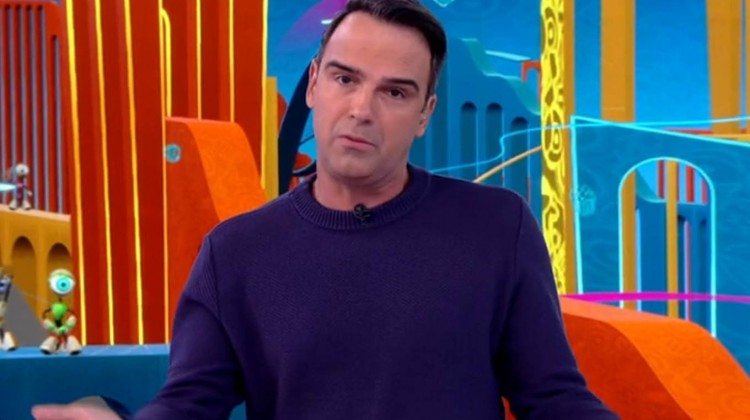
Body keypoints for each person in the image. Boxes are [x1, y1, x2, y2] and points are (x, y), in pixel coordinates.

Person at [33, 0, 619, 419]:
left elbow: (554, 398)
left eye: (395, 92)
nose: (361, 109)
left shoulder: (496, 227)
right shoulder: (235, 252)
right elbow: (190, 403)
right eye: (345, 79)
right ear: (314, 83)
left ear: (424, 114)